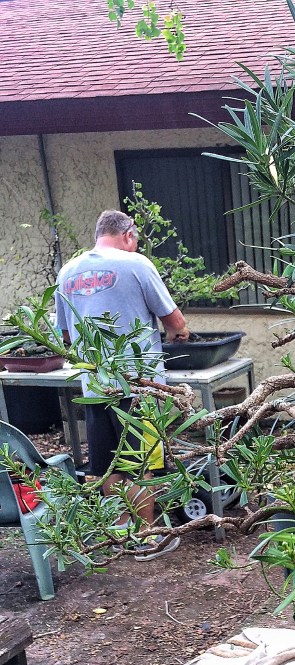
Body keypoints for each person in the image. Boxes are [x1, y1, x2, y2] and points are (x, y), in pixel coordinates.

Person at [54, 209, 190, 560]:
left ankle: (119, 535)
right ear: (128, 234)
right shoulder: (137, 264)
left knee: (107, 465)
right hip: (138, 387)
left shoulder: (68, 272)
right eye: (136, 239)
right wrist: (179, 334)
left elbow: (65, 335)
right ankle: (146, 538)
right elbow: (174, 322)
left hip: (95, 387)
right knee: (143, 464)